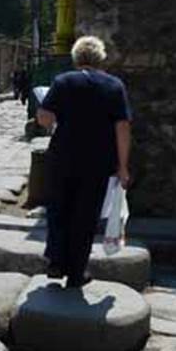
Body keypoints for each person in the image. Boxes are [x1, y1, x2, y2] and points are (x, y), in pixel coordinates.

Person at [37, 35, 132, 288]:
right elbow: (122, 128)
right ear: (100, 58)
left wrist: (48, 118)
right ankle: (77, 272)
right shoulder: (114, 86)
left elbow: (45, 118)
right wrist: (123, 167)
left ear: (76, 58)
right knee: (85, 214)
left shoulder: (63, 81)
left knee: (59, 209)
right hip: (98, 161)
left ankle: (56, 261)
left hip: (63, 156)